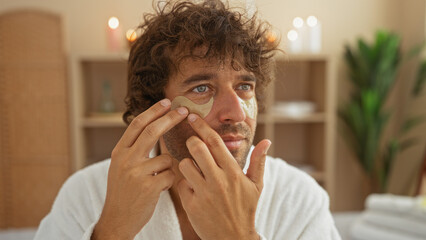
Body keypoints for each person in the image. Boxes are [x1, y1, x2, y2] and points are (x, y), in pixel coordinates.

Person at [35, 0, 341, 239]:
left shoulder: (299, 198)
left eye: (244, 86)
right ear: (153, 106)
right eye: (201, 88)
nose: (236, 113)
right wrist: (112, 231)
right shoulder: (88, 194)